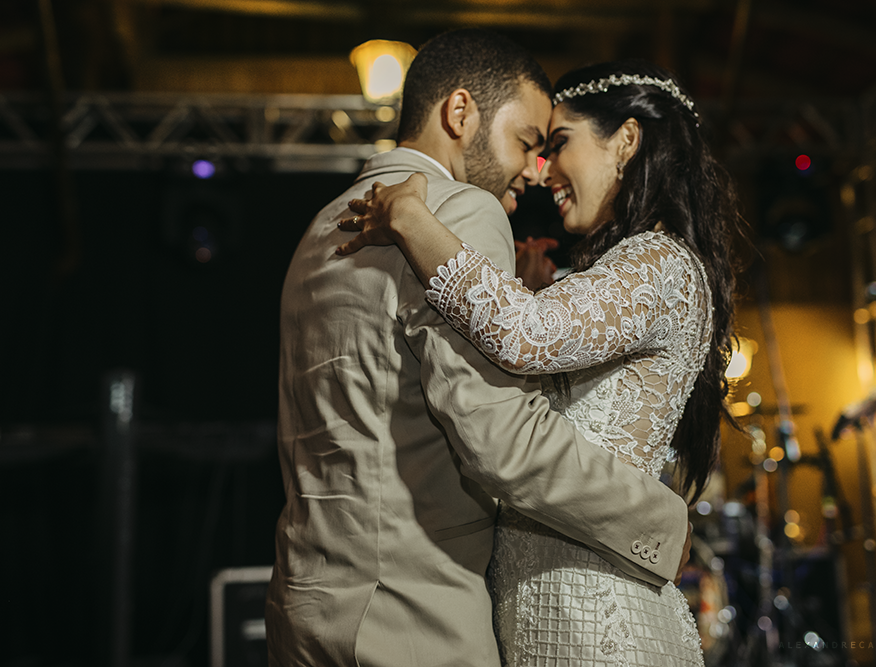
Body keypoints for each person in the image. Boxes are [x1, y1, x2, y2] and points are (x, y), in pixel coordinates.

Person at [265, 31, 692, 667]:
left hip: (304, 604)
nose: (534, 169)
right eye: (526, 141)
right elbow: (504, 444)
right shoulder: (459, 211)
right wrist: (661, 519)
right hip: (411, 617)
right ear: (460, 113)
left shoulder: (320, 225)